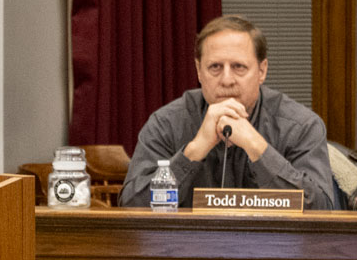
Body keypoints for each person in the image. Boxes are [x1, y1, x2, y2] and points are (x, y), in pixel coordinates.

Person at [119, 15, 336, 210]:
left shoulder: (301, 125)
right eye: (215, 67)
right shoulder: (166, 123)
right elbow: (130, 206)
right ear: (198, 72)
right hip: (187, 250)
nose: (226, 80)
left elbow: (321, 208)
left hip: (274, 250)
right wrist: (193, 151)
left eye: (239, 67)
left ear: (262, 71)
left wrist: (257, 147)